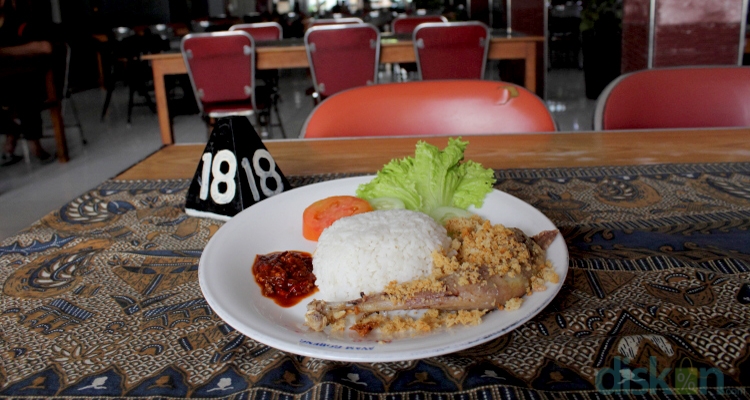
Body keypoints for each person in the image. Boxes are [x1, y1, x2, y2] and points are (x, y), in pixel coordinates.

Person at [0, 0, 55, 166]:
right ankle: (12, 130)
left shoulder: (24, 16)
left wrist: (5, 52)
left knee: (23, 89)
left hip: (30, 75)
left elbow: (45, 47)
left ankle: (34, 143)